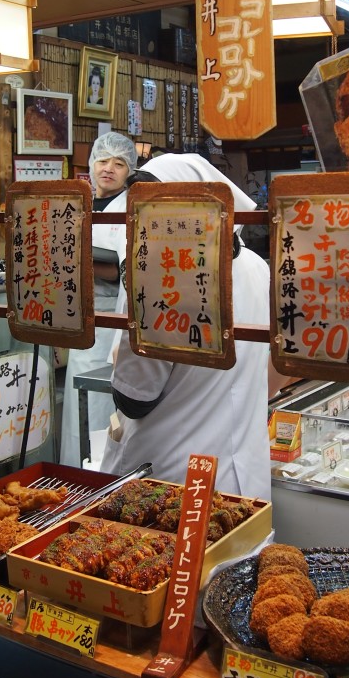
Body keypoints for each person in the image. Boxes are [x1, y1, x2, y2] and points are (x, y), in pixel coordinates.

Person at [100, 153, 272, 501]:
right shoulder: (257, 266)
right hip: (241, 473)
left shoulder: (162, 280)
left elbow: (134, 399)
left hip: (170, 477)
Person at [60, 131, 137, 466]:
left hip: (111, 325)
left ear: (129, 170)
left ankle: (100, 480)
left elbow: (126, 272)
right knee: (80, 413)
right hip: (81, 323)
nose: (109, 168)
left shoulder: (130, 207)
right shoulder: (80, 201)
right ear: (91, 164)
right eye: (103, 160)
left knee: (104, 412)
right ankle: (73, 476)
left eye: (119, 163)